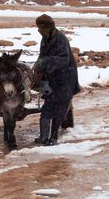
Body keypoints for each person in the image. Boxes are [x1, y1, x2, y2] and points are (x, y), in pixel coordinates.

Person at [33, 14, 80, 146]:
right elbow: (42, 56)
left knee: (59, 109)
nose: (38, 31)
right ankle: (43, 137)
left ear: (48, 28)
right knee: (47, 107)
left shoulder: (61, 39)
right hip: (52, 79)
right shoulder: (44, 39)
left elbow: (64, 59)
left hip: (65, 78)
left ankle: (53, 137)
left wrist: (46, 61)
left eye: (40, 28)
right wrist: (37, 67)